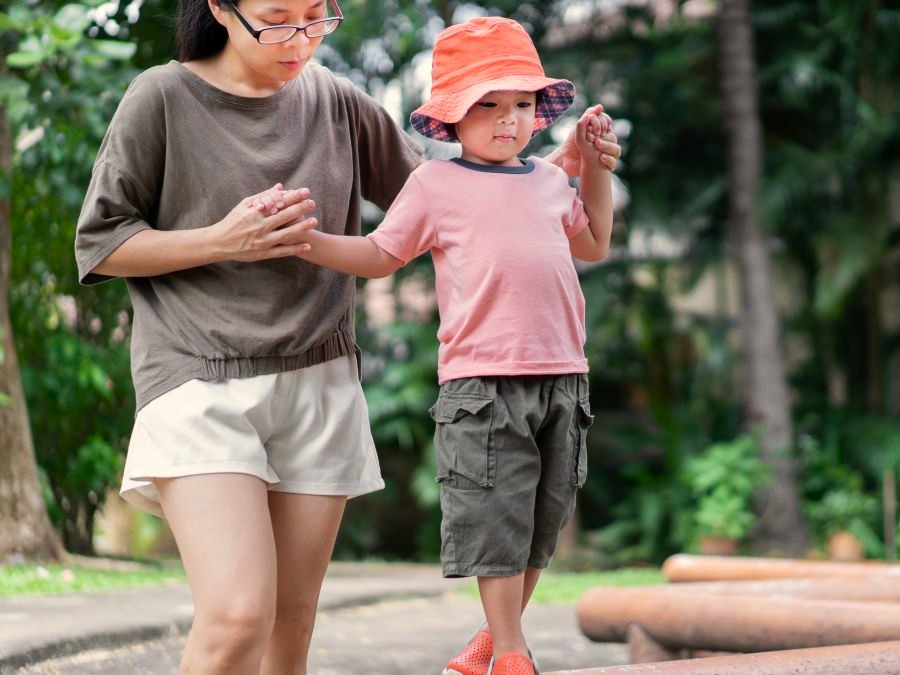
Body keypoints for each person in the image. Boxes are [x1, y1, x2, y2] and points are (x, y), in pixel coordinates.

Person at [73, 2, 620, 673]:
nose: (300, 39)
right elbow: (101, 244)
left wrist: (553, 165)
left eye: (315, 16)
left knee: (291, 623)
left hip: (321, 378)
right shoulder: (160, 98)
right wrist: (224, 239)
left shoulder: (338, 102)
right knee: (240, 612)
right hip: (197, 373)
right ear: (219, 6)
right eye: (277, 19)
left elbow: (458, 199)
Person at [293, 16, 613, 675]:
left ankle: (490, 642)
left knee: (537, 527)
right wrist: (308, 242)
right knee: (495, 523)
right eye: (488, 106)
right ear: (450, 121)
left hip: (564, 377)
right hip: (482, 383)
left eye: (521, 105)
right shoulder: (436, 186)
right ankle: (514, 653)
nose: (508, 120)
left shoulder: (552, 183)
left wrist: (594, 167)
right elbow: (382, 254)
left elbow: (595, 243)